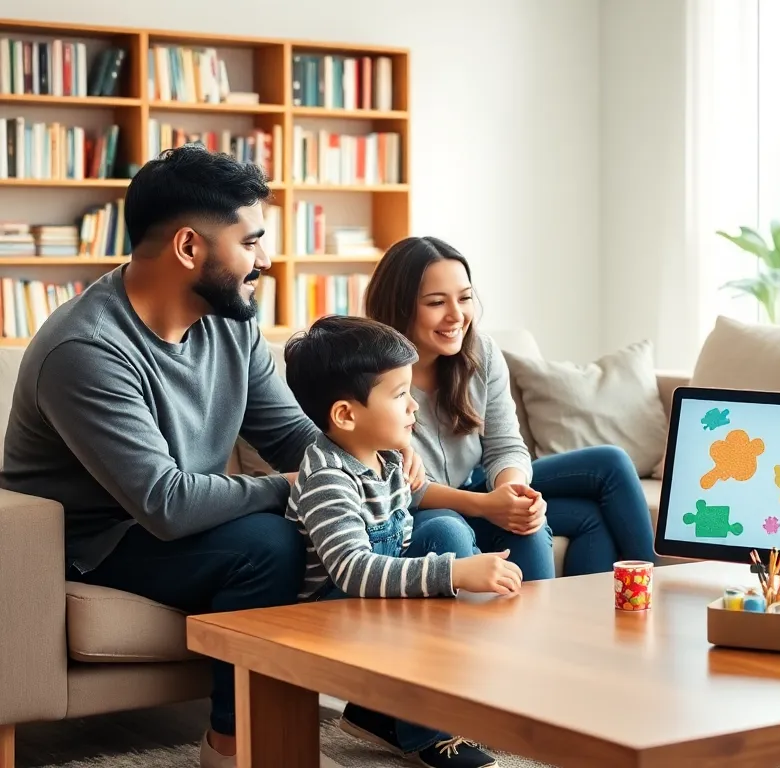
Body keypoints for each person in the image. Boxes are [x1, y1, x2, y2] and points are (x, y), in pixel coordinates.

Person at [0, 146, 358, 768]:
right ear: (189, 247)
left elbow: (290, 435)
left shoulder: (230, 322)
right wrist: (296, 485)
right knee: (270, 544)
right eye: (251, 242)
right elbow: (165, 504)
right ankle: (233, 745)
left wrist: (366, 463)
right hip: (94, 544)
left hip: (176, 520)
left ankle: (389, 716)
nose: (267, 260)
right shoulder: (86, 350)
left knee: (367, 520)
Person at [283, 315, 521, 768]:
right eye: (399, 395)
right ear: (345, 415)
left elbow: (406, 533)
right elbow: (355, 570)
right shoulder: (328, 478)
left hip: (372, 597)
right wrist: (454, 572)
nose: (414, 407)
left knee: (447, 528)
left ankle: (386, 710)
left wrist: (460, 564)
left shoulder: (386, 459)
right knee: (445, 562)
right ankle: (427, 731)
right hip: (330, 614)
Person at [364, 235, 656, 579]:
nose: (456, 315)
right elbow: (398, 489)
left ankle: (650, 589)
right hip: (422, 513)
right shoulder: (371, 376)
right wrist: (488, 506)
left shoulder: (481, 353)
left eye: (465, 298)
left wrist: (510, 493)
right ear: (400, 306)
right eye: (437, 302)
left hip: (475, 488)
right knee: (518, 526)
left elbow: (505, 445)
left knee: (604, 472)